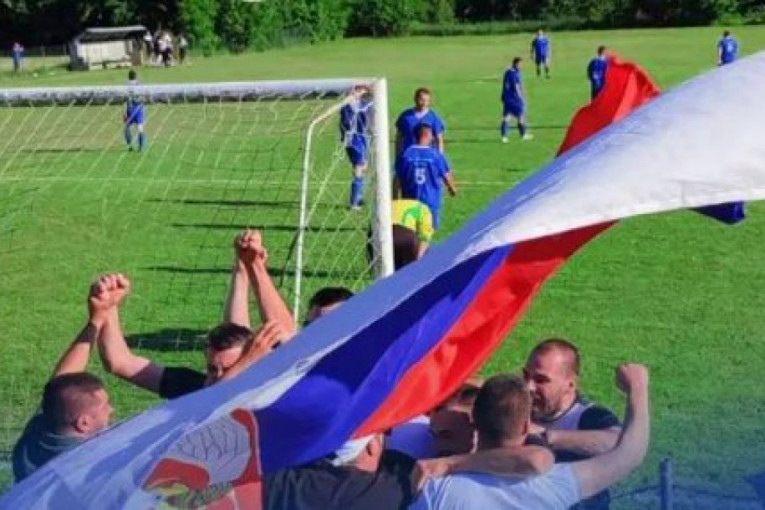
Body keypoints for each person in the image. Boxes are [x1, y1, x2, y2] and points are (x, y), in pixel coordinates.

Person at [411, 364, 651, 509]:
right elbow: (629, 455)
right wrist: (637, 387)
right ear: (526, 426)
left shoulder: (434, 489)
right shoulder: (553, 484)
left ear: (476, 423)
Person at [97, 232, 292, 399]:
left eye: (230, 368)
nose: (217, 376)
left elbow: (288, 337)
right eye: (212, 369)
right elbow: (119, 362)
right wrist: (108, 308)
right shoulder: (193, 388)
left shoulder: (267, 395)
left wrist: (255, 268)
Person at [264, 431, 554, 510]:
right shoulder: (395, 486)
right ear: (373, 446)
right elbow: (536, 461)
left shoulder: (286, 483)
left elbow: (220, 493)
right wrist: (452, 463)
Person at [12, 276, 116, 481]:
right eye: (105, 406)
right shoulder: (87, 464)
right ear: (84, 423)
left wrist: (96, 319)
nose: (111, 410)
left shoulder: (37, 434)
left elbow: (63, 380)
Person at [524, 339, 621, 509]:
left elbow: (619, 443)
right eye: (526, 376)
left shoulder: (589, 417)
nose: (528, 387)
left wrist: (545, 436)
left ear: (570, 384)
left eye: (541, 380)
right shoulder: (518, 406)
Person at [394, 123, 456, 231]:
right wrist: (452, 189)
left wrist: (394, 198)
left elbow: (397, 179)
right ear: (427, 135)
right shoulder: (436, 155)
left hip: (410, 201)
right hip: (430, 202)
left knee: (411, 232)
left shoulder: (405, 155)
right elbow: (446, 175)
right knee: (427, 235)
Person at [339, 85, 373, 210]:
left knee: (362, 166)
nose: (362, 92)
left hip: (362, 138)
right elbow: (347, 123)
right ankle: (354, 202)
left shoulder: (364, 103)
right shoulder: (346, 105)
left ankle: (358, 197)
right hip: (353, 139)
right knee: (359, 166)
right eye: (358, 90)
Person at [395, 87, 446, 157]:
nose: (424, 103)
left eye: (427, 100)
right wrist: (398, 155)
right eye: (421, 100)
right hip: (409, 156)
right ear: (415, 99)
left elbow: (439, 139)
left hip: (428, 157)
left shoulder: (433, 117)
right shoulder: (405, 116)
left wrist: (440, 157)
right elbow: (399, 137)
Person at [500, 57, 533, 143]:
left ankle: (504, 137)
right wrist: (521, 98)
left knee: (506, 117)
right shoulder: (515, 74)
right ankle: (523, 135)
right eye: (520, 64)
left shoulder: (507, 72)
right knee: (521, 116)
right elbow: (516, 87)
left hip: (506, 98)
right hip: (514, 98)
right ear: (515, 64)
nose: (521, 66)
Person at [125, 70, 146, 152]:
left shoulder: (127, 85)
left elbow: (126, 98)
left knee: (126, 128)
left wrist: (124, 112)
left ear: (128, 76)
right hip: (139, 108)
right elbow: (144, 96)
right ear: (136, 76)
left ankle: (130, 146)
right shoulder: (139, 84)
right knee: (140, 128)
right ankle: (140, 147)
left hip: (130, 108)